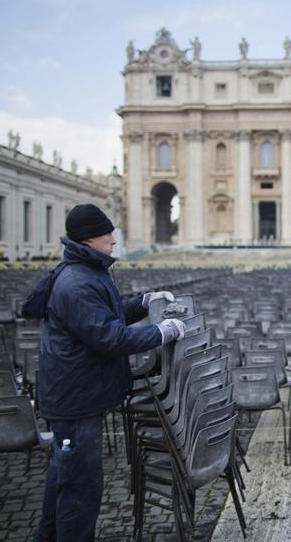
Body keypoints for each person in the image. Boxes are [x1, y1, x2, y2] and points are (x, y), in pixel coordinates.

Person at [32, 203, 185, 542]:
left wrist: (143, 301)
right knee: (81, 487)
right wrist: (162, 332)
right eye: (107, 233)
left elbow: (107, 314)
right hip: (75, 399)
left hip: (75, 394)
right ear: (90, 239)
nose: (114, 240)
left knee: (64, 475)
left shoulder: (84, 273)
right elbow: (108, 336)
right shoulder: (76, 283)